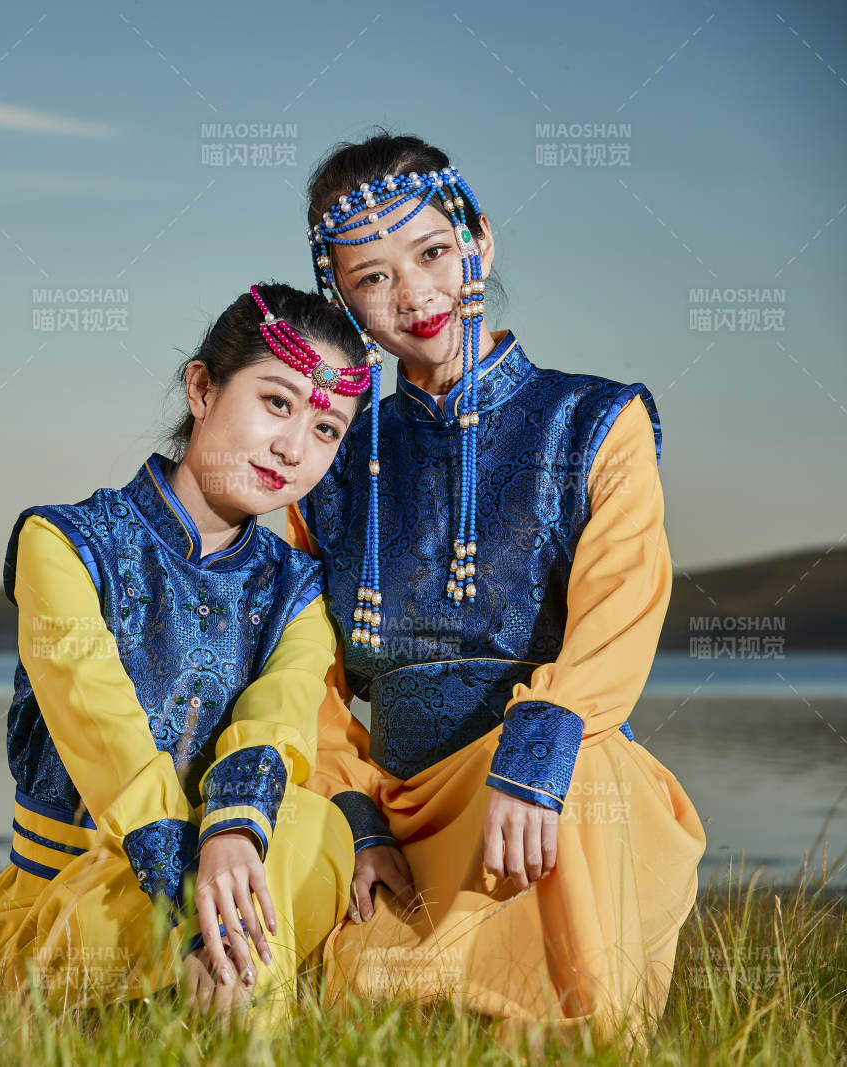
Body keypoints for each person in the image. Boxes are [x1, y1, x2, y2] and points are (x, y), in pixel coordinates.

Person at [285, 132, 705, 1043]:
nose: (415, 295)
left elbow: (620, 614)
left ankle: (594, 1034)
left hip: (557, 795)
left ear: (479, 239)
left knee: (587, 767)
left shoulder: (597, 422)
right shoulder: (327, 462)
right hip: (400, 806)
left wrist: (539, 747)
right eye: (372, 278)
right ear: (342, 300)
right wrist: (355, 809)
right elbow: (299, 670)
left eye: (432, 252)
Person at [0, 283, 365, 1025]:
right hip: (76, 898)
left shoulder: (299, 591)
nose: (293, 447)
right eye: (277, 402)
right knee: (229, 895)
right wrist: (190, 888)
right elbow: (104, 728)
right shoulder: (65, 545)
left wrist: (234, 832)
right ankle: (231, 1004)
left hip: (232, 865)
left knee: (317, 825)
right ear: (203, 387)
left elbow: (277, 719)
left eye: (327, 429)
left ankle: (220, 1001)